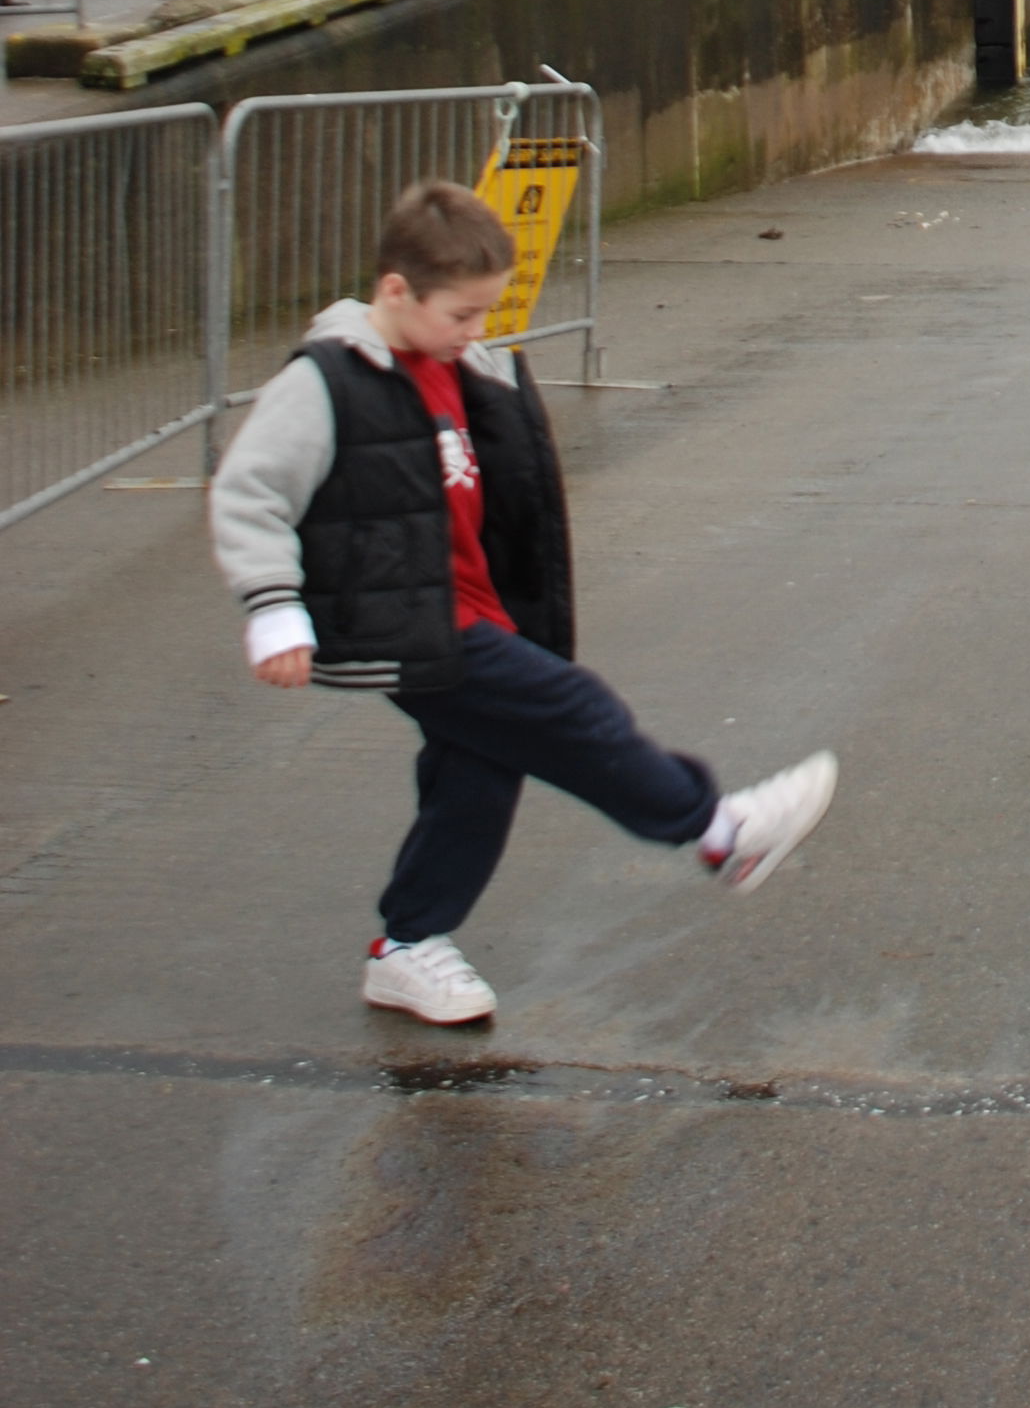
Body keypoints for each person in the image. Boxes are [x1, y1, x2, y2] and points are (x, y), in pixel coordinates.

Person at [209, 177, 837, 1025]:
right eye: (462, 314)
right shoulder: (329, 378)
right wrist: (274, 607)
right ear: (396, 290)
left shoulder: (451, 362)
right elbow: (249, 491)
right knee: (571, 708)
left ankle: (408, 945)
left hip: (471, 609)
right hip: (409, 624)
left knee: (478, 771)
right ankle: (715, 830)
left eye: (485, 314)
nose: (477, 331)